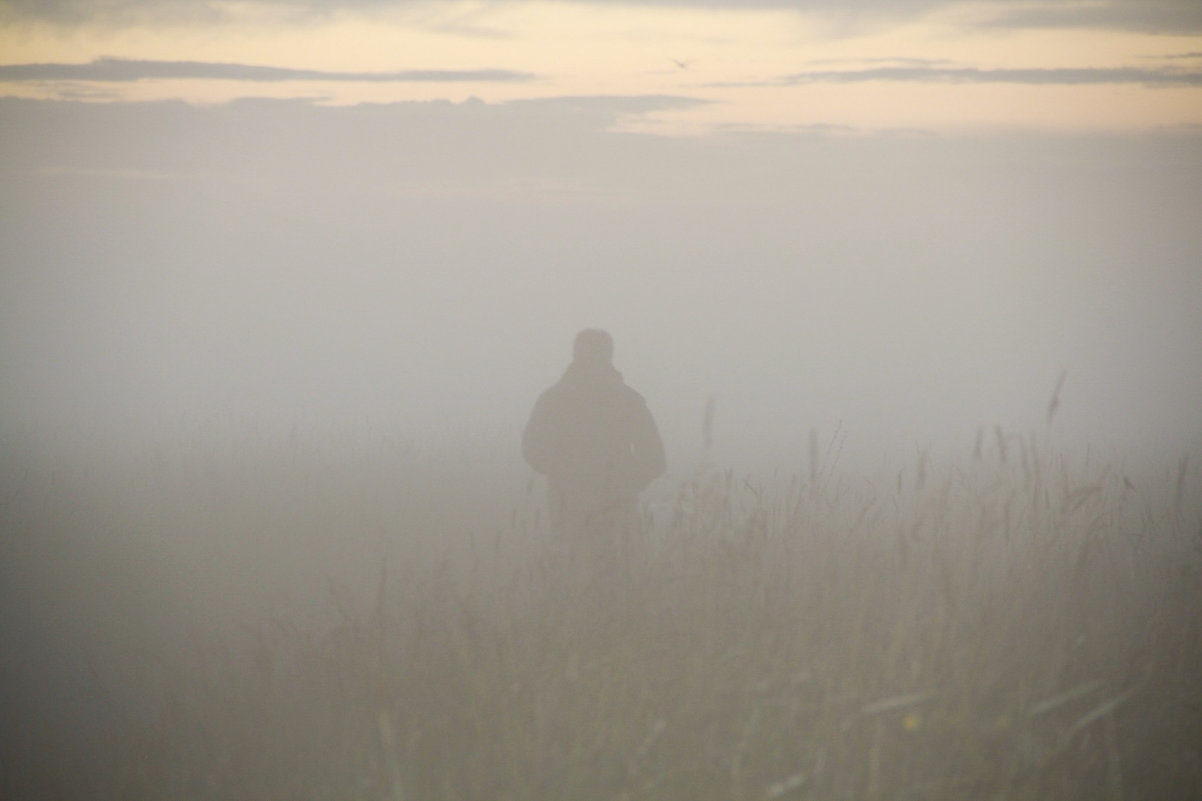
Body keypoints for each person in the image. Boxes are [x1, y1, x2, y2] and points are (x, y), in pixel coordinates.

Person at [522, 330, 666, 551]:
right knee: (578, 577)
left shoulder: (626, 400)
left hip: (607, 510)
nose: (591, 358)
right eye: (588, 351)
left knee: (606, 577)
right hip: (573, 509)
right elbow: (532, 447)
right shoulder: (554, 399)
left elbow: (654, 458)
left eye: (596, 352)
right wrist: (561, 473)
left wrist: (626, 483)